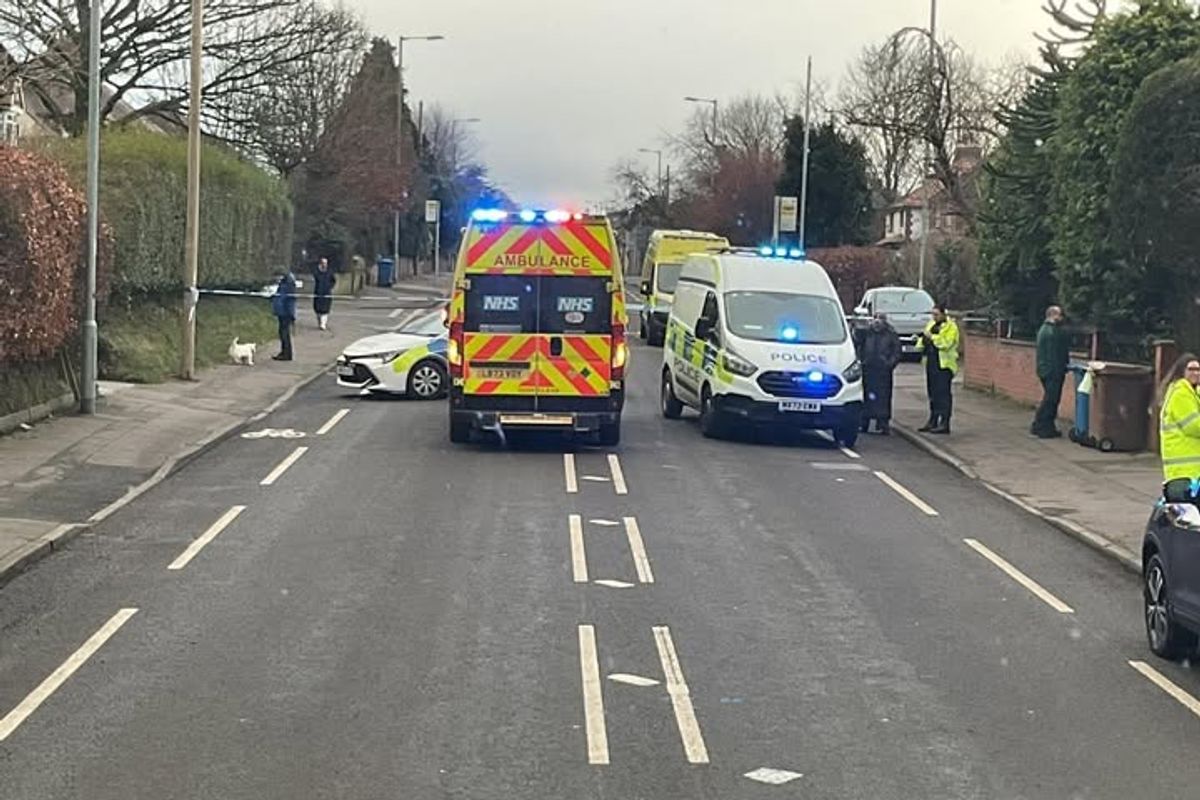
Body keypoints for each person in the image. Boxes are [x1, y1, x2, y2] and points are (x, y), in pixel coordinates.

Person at [1160, 354, 1200, 502]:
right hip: (1184, 474)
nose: (1196, 373)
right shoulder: (1181, 394)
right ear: (1182, 371)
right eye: (1191, 369)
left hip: (1190, 472)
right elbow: (1195, 427)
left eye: (1198, 369)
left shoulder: (1192, 393)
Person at [916, 304, 960, 434]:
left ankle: (944, 423)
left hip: (944, 366)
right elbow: (924, 338)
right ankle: (933, 420)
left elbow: (946, 344)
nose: (934, 317)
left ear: (943, 314)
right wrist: (921, 342)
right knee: (932, 393)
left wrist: (932, 337)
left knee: (943, 395)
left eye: (936, 314)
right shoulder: (931, 324)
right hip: (931, 363)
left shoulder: (951, 327)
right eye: (932, 314)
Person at [858, 311, 901, 435]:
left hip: (883, 370)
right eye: (875, 318)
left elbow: (896, 351)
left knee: (883, 396)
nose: (877, 321)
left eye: (880, 318)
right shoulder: (867, 332)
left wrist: (889, 364)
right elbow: (858, 344)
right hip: (868, 368)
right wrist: (862, 361)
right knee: (866, 395)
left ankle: (883, 422)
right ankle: (864, 422)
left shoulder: (890, 333)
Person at [1032, 305, 1070, 438]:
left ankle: (1040, 425)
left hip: (1046, 370)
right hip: (1052, 371)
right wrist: (1062, 368)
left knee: (1049, 399)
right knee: (1051, 400)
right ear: (1053, 315)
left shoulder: (1045, 330)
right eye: (1059, 315)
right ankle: (1043, 426)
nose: (1062, 318)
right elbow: (1056, 354)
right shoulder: (1052, 332)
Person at [271, 267, 298, 361]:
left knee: (284, 333)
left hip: (285, 312)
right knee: (283, 333)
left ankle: (286, 354)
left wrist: (291, 314)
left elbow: (288, 299)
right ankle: (284, 352)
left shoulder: (288, 284)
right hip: (283, 311)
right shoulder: (285, 283)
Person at [312, 257, 337, 331]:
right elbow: (315, 278)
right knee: (318, 310)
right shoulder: (317, 272)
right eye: (323, 263)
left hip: (326, 293)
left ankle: (323, 324)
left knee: (325, 309)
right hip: (318, 293)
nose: (324, 265)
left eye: (325, 263)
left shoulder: (330, 272)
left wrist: (330, 287)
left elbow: (333, 280)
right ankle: (320, 322)